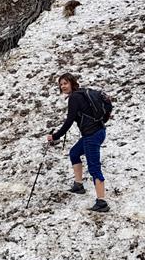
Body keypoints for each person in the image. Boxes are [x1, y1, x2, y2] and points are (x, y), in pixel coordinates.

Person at [46, 73, 109, 212]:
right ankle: (78, 185)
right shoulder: (80, 94)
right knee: (74, 153)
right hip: (98, 131)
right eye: (61, 84)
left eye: (65, 83)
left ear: (72, 83)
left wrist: (55, 136)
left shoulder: (74, 98)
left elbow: (69, 121)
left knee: (94, 167)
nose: (63, 86)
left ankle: (101, 202)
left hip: (91, 135)